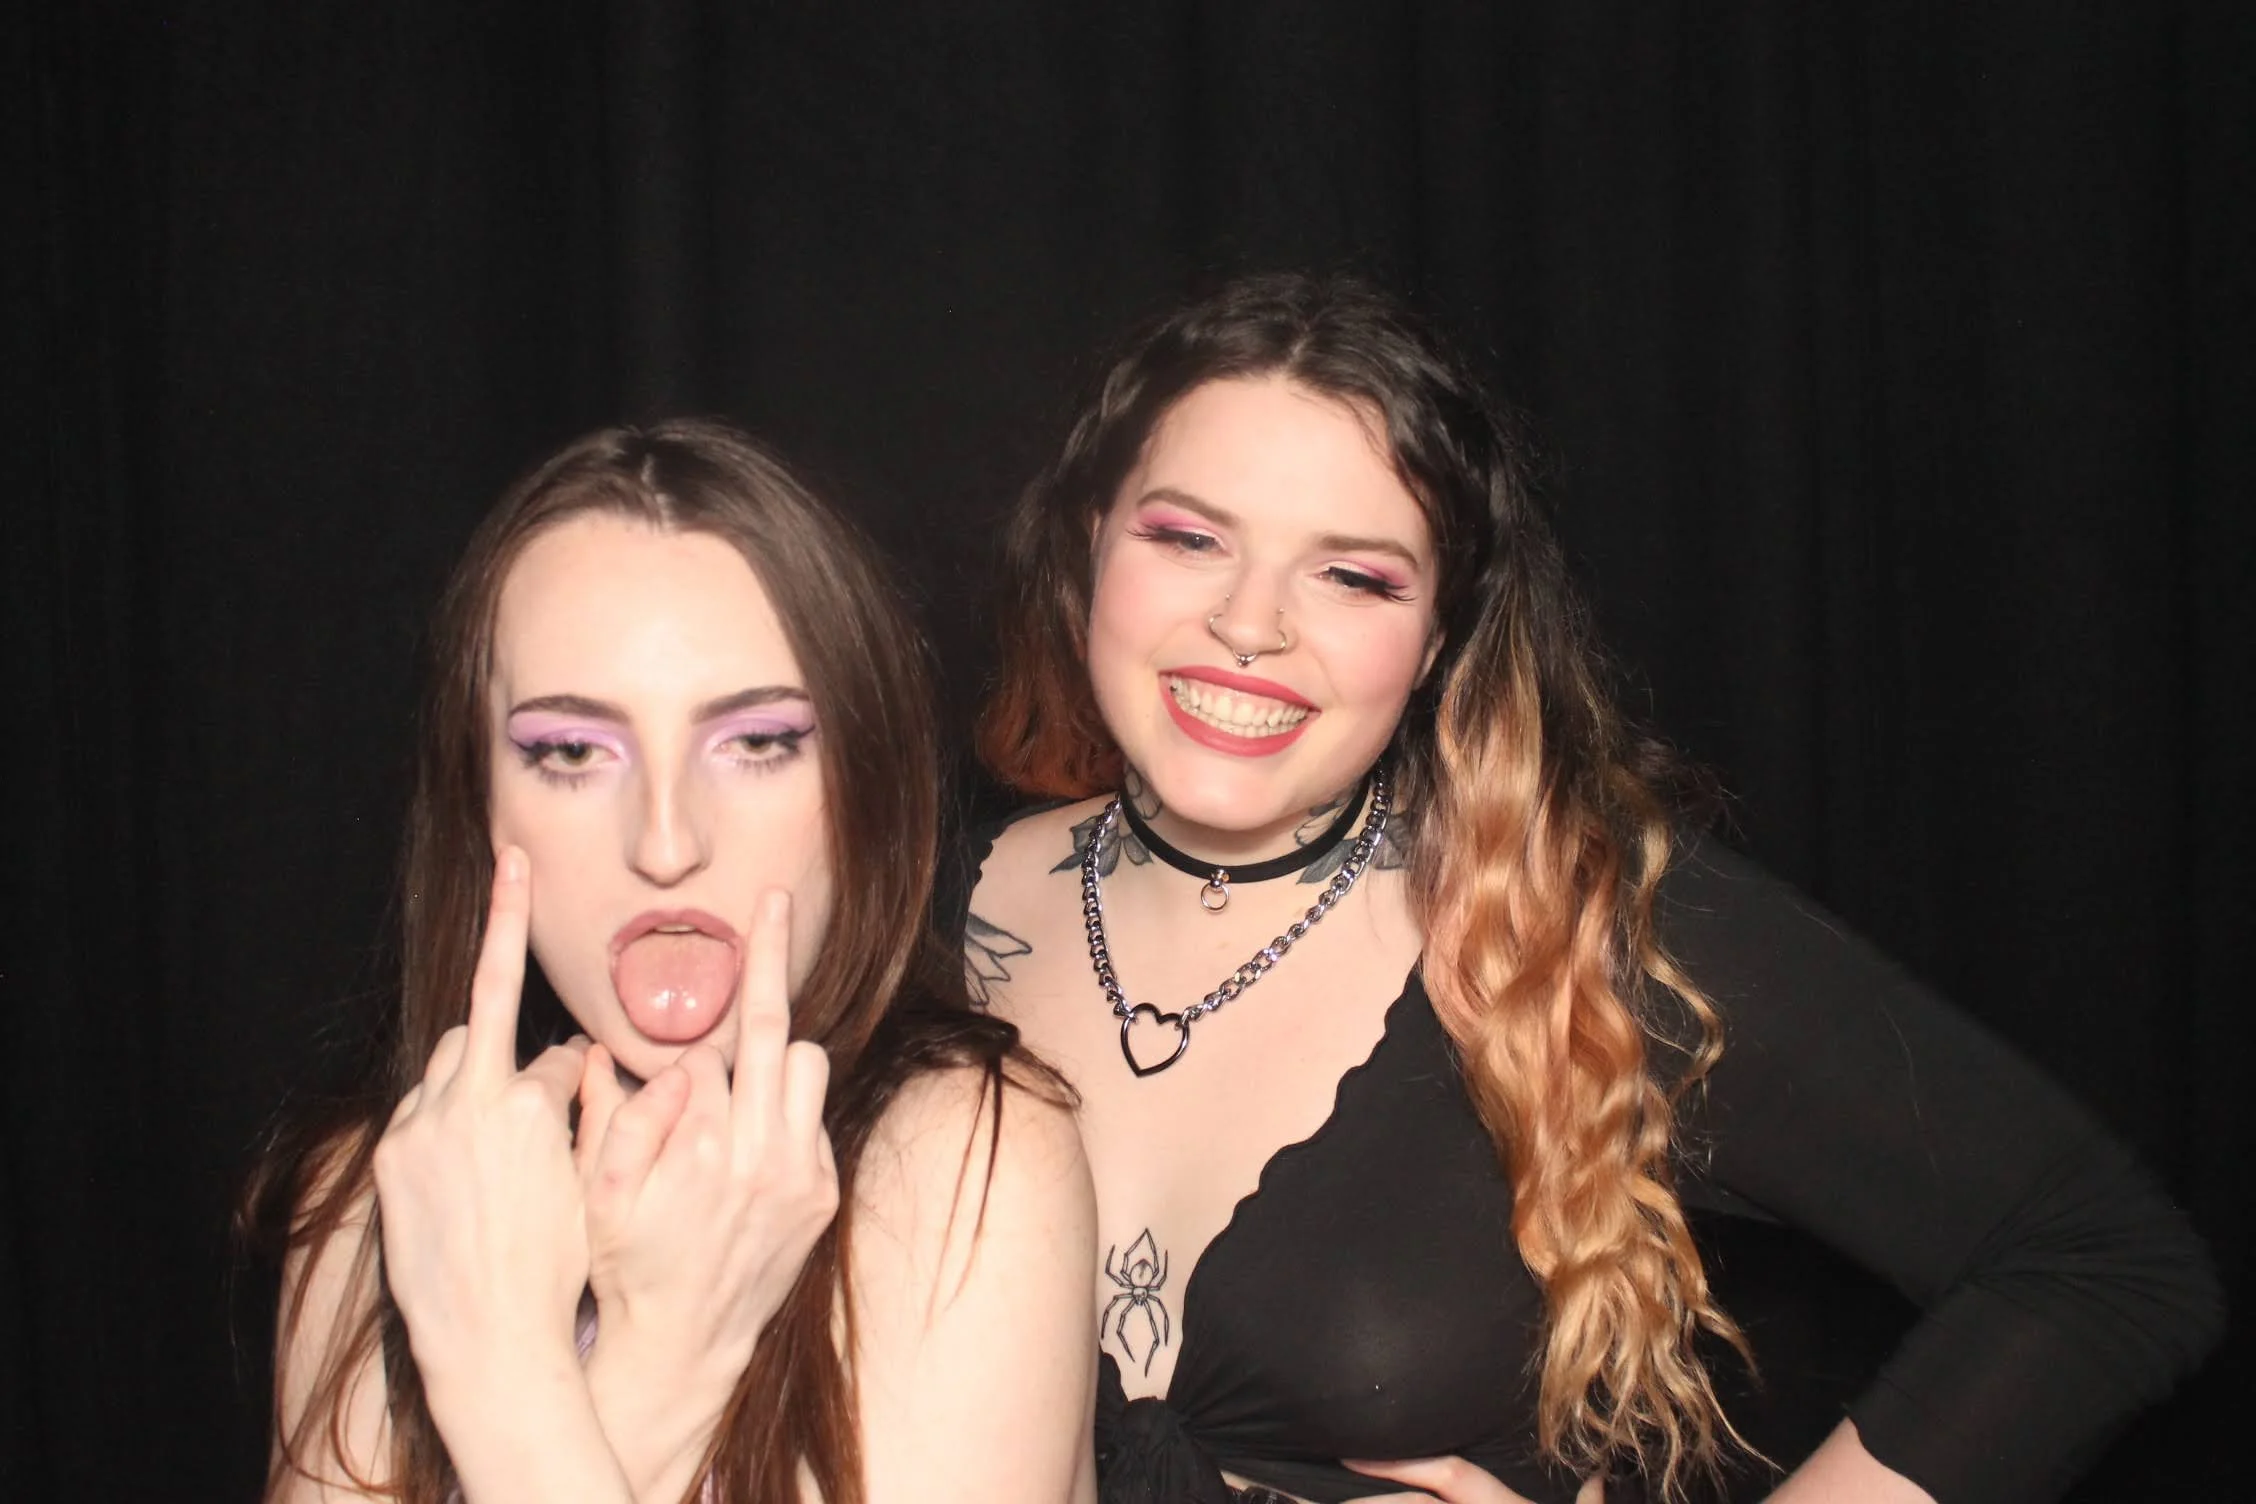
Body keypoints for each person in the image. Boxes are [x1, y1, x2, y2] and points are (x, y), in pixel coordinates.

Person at [957, 274, 2221, 1504]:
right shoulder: (910, 913)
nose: (1250, 623)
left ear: (1439, 637)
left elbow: (2100, 1260)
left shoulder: (1577, 934)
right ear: (1091, 540)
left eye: (1354, 575)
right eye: (1190, 538)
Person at [245, 420, 1099, 1503]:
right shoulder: (379, 1191)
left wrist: (501, 1381)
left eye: (757, 743)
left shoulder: (966, 1159)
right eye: (570, 752)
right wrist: (657, 1364)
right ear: (480, 804)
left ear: (866, 786)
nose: (665, 843)